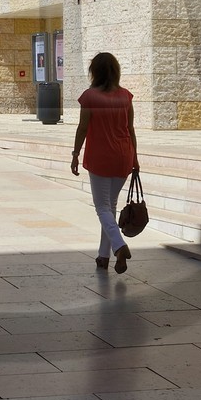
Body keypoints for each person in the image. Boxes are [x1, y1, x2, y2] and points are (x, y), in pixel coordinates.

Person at [70, 51, 137, 274]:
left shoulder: (90, 97)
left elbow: (83, 128)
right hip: (123, 155)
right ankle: (103, 256)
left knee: (102, 207)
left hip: (100, 156)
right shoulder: (126, 96)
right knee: (111, 206)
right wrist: (135, 157)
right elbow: (130, 129)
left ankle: (119, 246)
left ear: (94, 72)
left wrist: (75, 154)